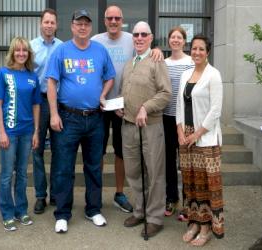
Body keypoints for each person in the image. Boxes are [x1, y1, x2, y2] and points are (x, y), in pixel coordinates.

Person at [46, 9, 115, 233]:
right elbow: (51, 83)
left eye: (86, 23)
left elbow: (110, 76)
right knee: (64, 168)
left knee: (94, 167)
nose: (82, 27)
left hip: (95, 118)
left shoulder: (100, 50)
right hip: (68, 118)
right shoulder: (61, 50)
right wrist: (54, 114)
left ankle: (93, 209)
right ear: (72, 26)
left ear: (90, 27)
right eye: (78, 23)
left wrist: (103, 94)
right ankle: (63, 214)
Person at [91, 5, 163, 213]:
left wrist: (157, 49)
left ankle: (119, 193)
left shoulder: (132, 38)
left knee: (122, 154)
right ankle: (96, 195)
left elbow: (145, 51)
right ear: (104, 20)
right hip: (101, 105)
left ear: (122, 20)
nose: (113, 22)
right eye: (110, 18)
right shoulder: (96, 40)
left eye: (117, 18)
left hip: (124, 108)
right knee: (98, 152)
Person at [117, 21, 171, 238]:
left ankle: (155, 218)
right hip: (128, 125)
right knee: (133, 171)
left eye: (143, 34)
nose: (139, 38)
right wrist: (119, 107)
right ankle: (140, 211)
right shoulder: (129, 63)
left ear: (150, 38)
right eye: (136, 35)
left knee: (154, 172)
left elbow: (165, 94)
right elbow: (124, 91)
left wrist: (145, 108)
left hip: (150, 126)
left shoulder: (157, 61)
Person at [176, 34, 224, 246]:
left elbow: (215, 111)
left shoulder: (213, 75)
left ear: (208, 52)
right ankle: (193, 223)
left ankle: (205, 228)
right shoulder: (185, 74)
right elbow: (179, 105)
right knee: (190, 183)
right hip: (185, 137)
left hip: (205, 138)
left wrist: (197, 134)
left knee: (205, 184)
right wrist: (180, 131)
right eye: (194, 48)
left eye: (201, 49)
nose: (196, 52)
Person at [0, 37, 41, 231]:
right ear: (12, 52)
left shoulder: (32, 76)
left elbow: (36, 105)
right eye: (18, 50)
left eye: (25, 50)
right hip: (9, 133)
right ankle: (7, 213)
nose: (21, 53)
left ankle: (21, 210)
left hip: (27, 132)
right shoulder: (3, 73)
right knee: (6, 175)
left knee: (22, 174)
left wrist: (36, 132)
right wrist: (1, 131)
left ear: (29, 53)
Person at [30, 8, 63, 214]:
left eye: (52, 22)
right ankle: (41, 196)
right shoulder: (31, 47)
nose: (49, 25)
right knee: (37, 150)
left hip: (59, 104)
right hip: (38, 103)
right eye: (46, 22)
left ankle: (56, 195)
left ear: (56, 25)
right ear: (41, 24)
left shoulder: (63, 47)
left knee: (60, 152)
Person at [163, 26, 194, 217]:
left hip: (185, 119)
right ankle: (171, 198)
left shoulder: (191, 62)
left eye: (179, 37)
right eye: (172, 37)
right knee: (168, 162)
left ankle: (188, 203)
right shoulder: (163, 63)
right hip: (166, 118)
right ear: (169, 41)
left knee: (186, 162)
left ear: (184, 41)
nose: (175, 40)